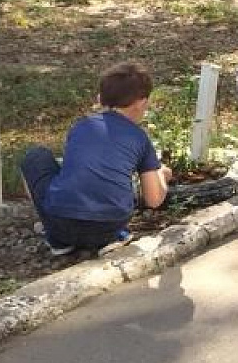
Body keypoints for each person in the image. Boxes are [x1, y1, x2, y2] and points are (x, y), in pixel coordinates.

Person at [20, 62, 172, 256]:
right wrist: (162, 176)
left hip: (60, 222)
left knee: (36, 156)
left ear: (100, 100)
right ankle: (113, 238)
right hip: (108, 226)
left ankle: (58, 240)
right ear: (142, 103)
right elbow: (153, 200)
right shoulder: (139, 138)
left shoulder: (81, 126)